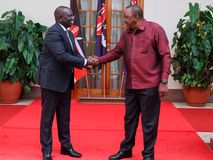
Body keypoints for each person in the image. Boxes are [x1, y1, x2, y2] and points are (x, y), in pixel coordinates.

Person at [89, 5, 171, 160]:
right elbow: (115, 52)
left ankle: (148, 154)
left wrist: (164, 81)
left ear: (136, 17)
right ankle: (126, 149)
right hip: (131, 86)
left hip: (150, 85)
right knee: (129, 120)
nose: (124, 20)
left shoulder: (155, 30)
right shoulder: (126, 34)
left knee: (149, 123)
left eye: (126, 17)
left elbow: (166, 55)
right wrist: (98, 61)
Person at [39, 6, 92, 160]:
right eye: (69, 16)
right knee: (47, 118)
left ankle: (66, 146)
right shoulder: (53, 32)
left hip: (64, 81)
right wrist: (84, 61)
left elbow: (73, 54)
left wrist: (88, 62)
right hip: (51, 82)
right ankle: (46, 150)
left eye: (72, 15)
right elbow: (61, 56)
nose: (72, 18)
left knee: (64, 117)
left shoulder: (68, 32)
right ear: (60, 18)